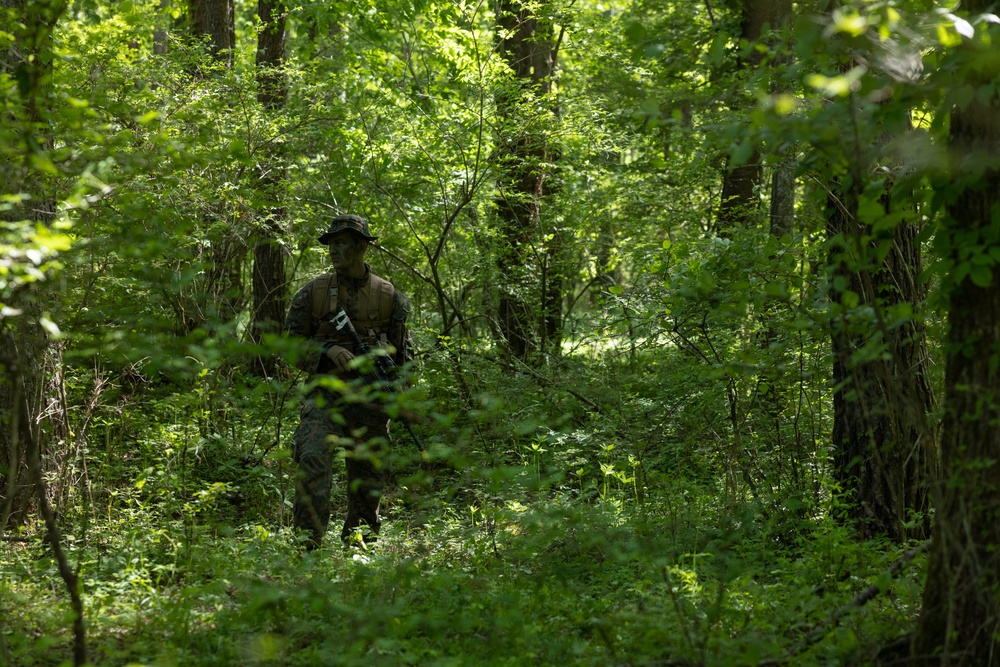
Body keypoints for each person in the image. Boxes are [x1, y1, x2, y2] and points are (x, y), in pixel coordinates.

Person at [283, 213, 412, 550]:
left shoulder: (388, 295)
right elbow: (289, 345)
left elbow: (404, 356)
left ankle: (359, 543)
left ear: (361, 247)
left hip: (370, 399)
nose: (333, 251)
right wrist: (326, 352)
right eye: (331, 244)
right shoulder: (313, 293)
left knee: (369, 474)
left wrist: (393, 384)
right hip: (326, 393)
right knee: (311, 456)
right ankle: (307, 546)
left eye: (341, 243)